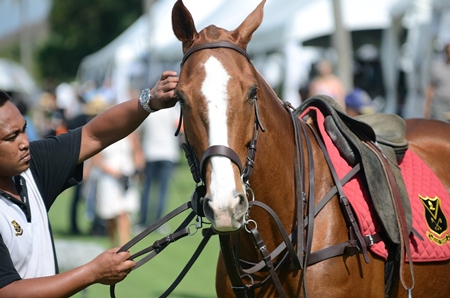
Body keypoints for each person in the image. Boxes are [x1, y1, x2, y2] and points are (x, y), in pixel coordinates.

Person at [0, 70, 179, 297]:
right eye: (11, 136)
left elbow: (93, 135)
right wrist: (92, 272)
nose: (24, 142)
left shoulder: (33, 164)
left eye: (24, 129)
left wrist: (149, 101)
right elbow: (7, 291)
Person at [93, 130, 144, 247]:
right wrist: (113, 172)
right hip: (108, 179)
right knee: (110, 215)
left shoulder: (130, 133)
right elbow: (97, 160)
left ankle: (124, 248)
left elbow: (137, 151)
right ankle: (113, 246)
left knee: (124, 213)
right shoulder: (103, 134)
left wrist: (137, 170)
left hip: (127, 176)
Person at [137, 103, 180, 230]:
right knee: (162, 190)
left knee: (146, 189)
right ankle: (158, 223)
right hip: (167, 153)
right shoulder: (173, 108)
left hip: (150, 152)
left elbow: (141, 131)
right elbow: (179, 126)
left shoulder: (148, 108)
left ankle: (143, 222)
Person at [425, 42, 450, 122]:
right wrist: (427, 106)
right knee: (441, 127)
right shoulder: (437, 67)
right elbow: (431, 87)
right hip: (441, 103)